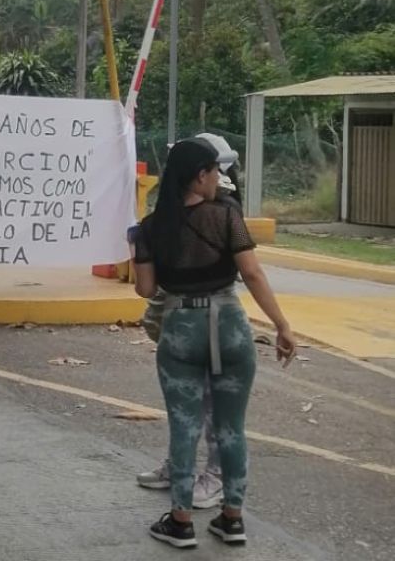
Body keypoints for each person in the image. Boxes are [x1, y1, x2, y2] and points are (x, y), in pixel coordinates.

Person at [132, 139, 296, 549]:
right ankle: (232, 519)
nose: (218, 179)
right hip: (230, 326)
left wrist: (139, 252)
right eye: (213, 172)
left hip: (181, 329)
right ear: (199, 175)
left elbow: (146, 289)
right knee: (231, 428)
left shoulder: (150, 227)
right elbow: (252, 274)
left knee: (184, 427)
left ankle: (181, 522)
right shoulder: (226, 215)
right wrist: (281, 325)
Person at [135, 133, 242, 508]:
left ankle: (215, 475)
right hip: (180, 312)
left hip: (210, 317)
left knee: (211, 402)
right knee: (186, 403)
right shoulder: (174, 210)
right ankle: (180, 466)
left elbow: (246, 269)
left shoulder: (221, 207)